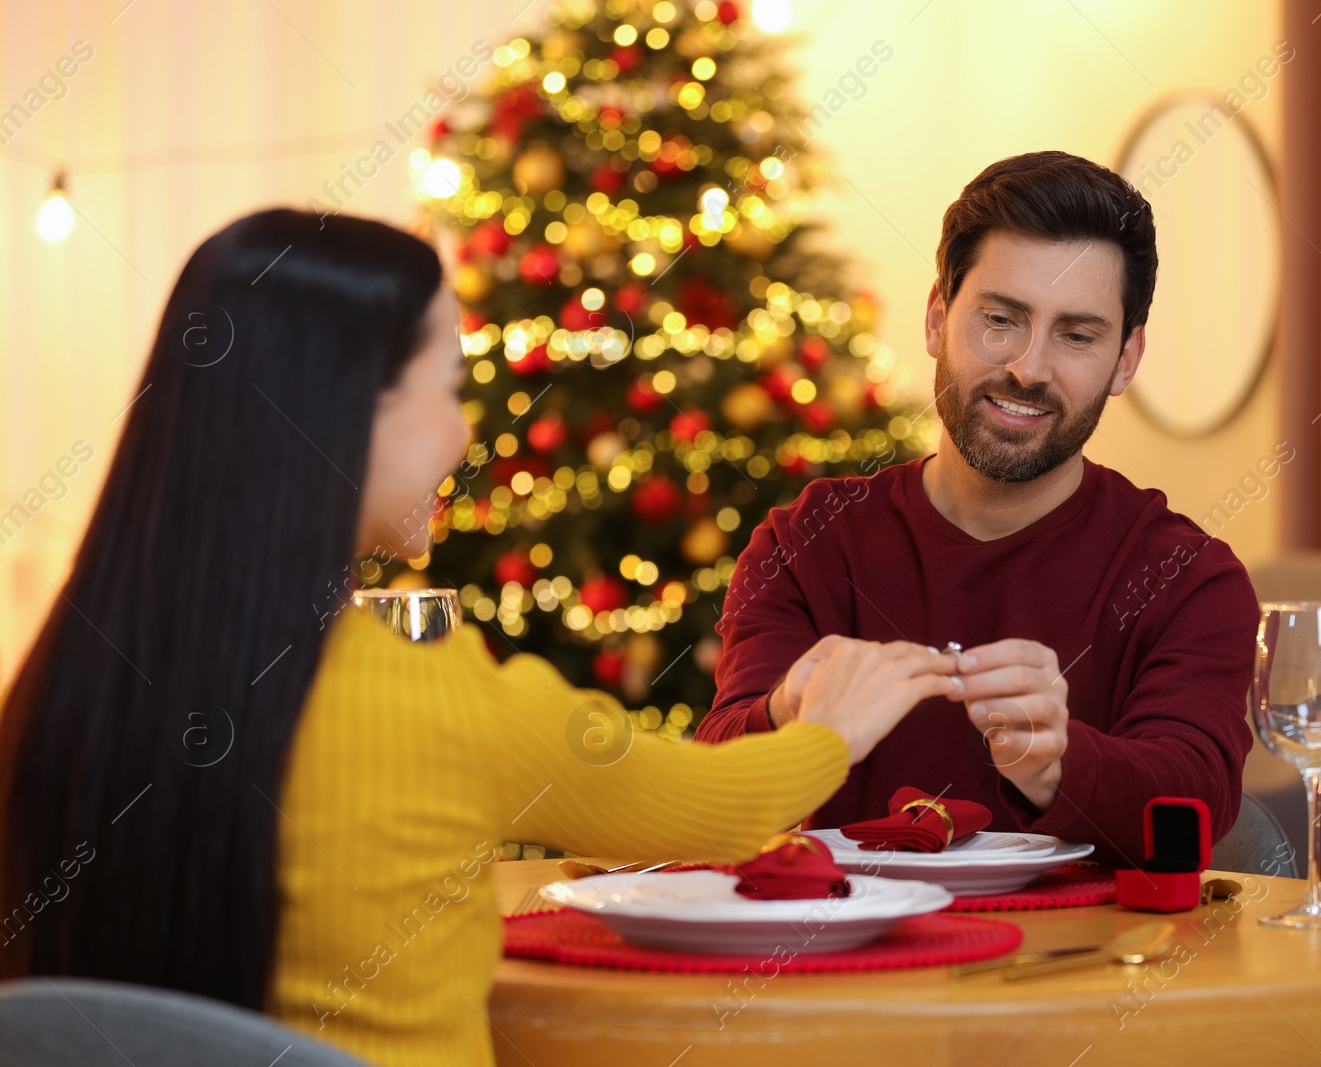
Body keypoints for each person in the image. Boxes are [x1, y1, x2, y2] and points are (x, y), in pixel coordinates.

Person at [0, 209, 959, 1067]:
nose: (463, 436)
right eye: (448, 388)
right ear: (347, 410)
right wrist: (830, 729)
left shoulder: (61, 681)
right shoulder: (425, 690)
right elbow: (705, 806)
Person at [696, 151, 1260, 865]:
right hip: (831, 968)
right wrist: (781, 713)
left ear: (1126, 358)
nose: (1028, 367)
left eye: (1077, 334)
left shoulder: (1187, 575)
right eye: (1001, 319)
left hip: (1083, 969)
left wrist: (1056, 762)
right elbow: (715, 785)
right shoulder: (805, 543)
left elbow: (1196, 808)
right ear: (937, 320)